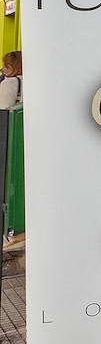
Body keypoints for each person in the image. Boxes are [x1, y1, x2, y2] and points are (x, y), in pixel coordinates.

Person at [0, 51, 23, 253]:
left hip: (8, 134)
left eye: (5, 66)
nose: (3, 69)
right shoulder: (30, 81)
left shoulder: (10, 82)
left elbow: (3, 108)